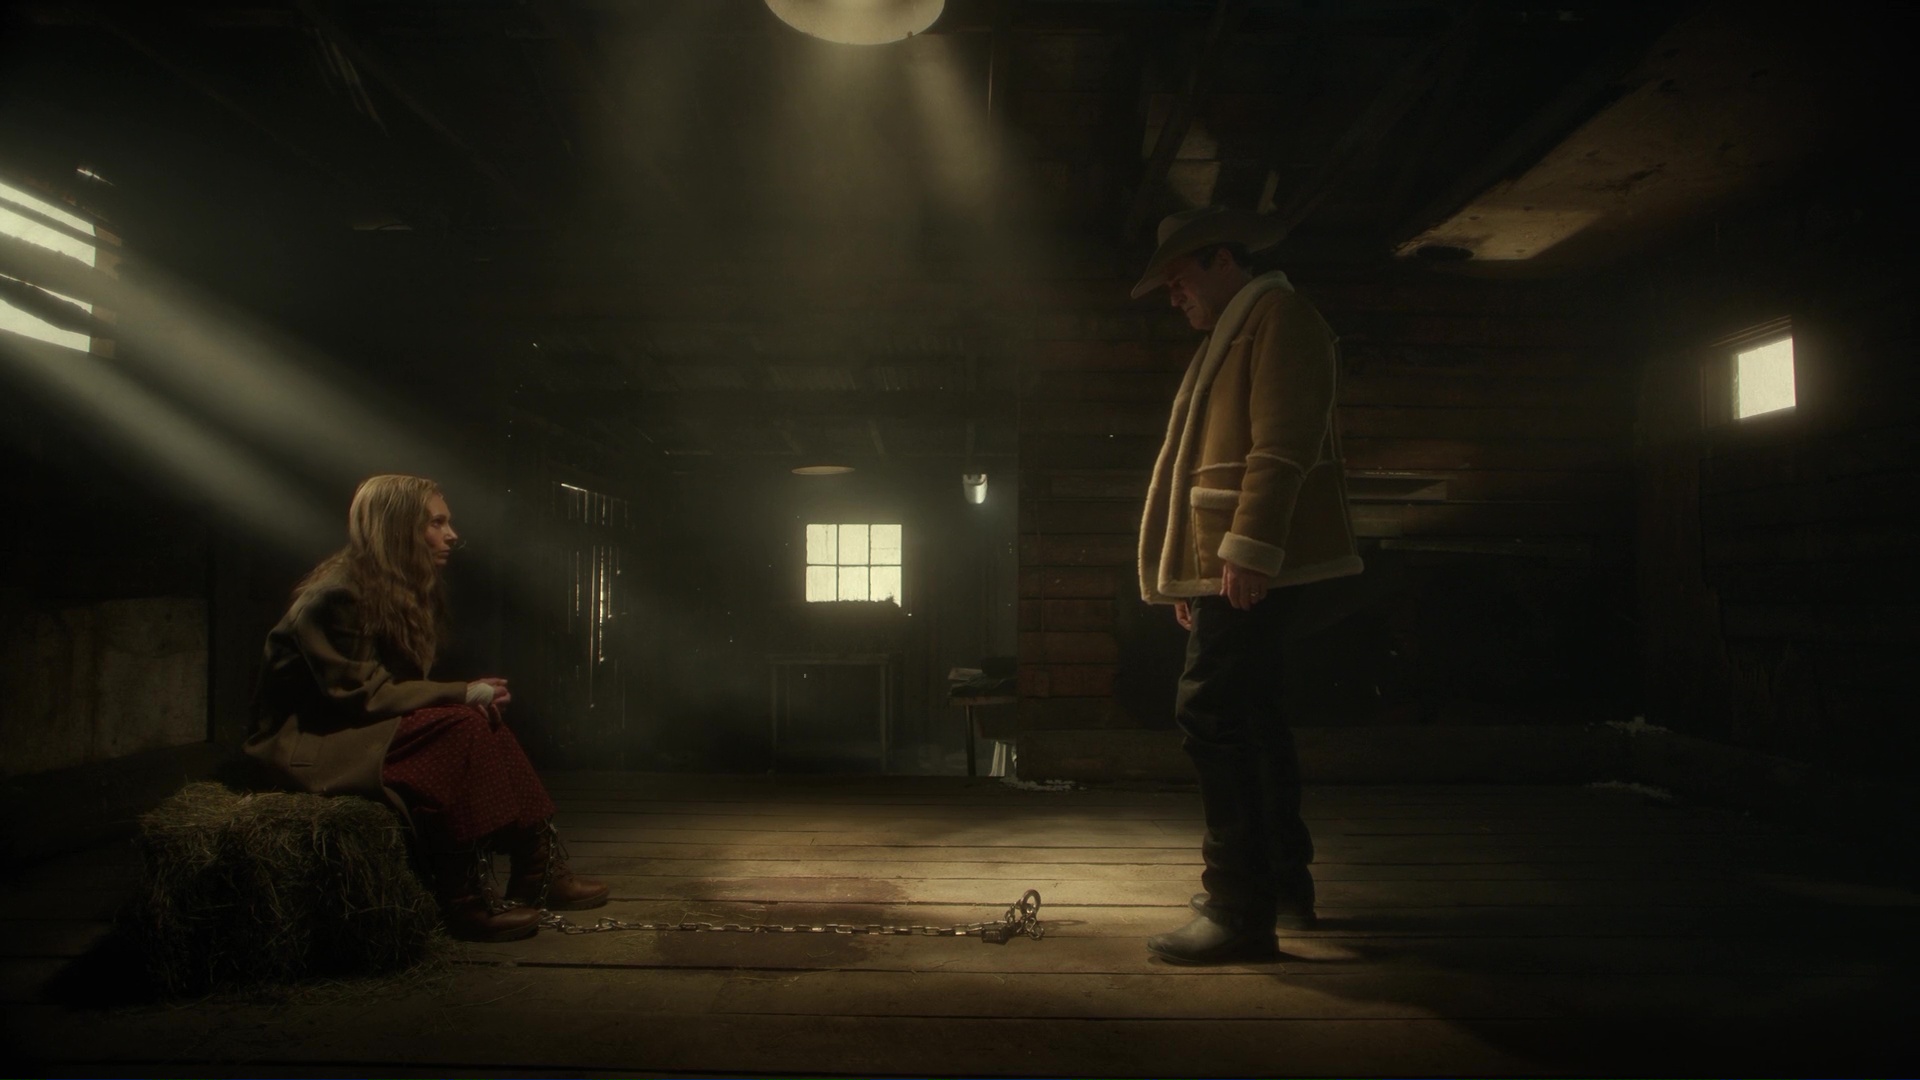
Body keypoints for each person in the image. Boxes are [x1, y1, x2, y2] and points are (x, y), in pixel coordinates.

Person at [1132, 206, 1364, 964]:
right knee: (1252, 714)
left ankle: (1238, 907)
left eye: (1180, 279)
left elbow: (1283, 444)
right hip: (1230, 559)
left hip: (1252, 557)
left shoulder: (1281, 319)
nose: (1175, 297)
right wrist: (1193, 571)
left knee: (1212, 711)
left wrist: (1250, 550)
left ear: (1223, 260)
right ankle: (1281, 884)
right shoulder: (1239, 329)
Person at [247, 474, 608, 942]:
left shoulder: (392, 586)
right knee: (460, 725)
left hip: (353, 726)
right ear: (398, 528)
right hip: (312, 742)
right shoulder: (338, 594)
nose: (451, 535)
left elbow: (392, 689)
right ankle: (462, 898)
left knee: (475, 721)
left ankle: (537, 864)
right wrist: (459, 693)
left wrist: (464, 698)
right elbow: (361, 695)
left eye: (447, 522)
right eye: (436, 523)